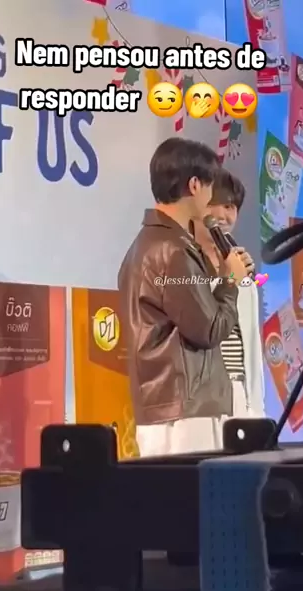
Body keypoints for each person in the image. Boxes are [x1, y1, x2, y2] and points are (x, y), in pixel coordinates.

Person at [118, 137, 247, 456]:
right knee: (193, 488)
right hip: (186, 410)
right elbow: (210, 329)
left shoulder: (148, 244)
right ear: (194, 185)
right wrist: (231, 280)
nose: (211, 198)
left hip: (173, 405)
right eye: (209, 187)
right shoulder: (172, 250)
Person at [192, 168, 265, 419]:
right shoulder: (184, 259)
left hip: (242, 393)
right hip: (205, 395)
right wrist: (229, 278)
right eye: (215, 204)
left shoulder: (240, 261)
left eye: (230, 207)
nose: (223, 215)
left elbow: (250, 339)